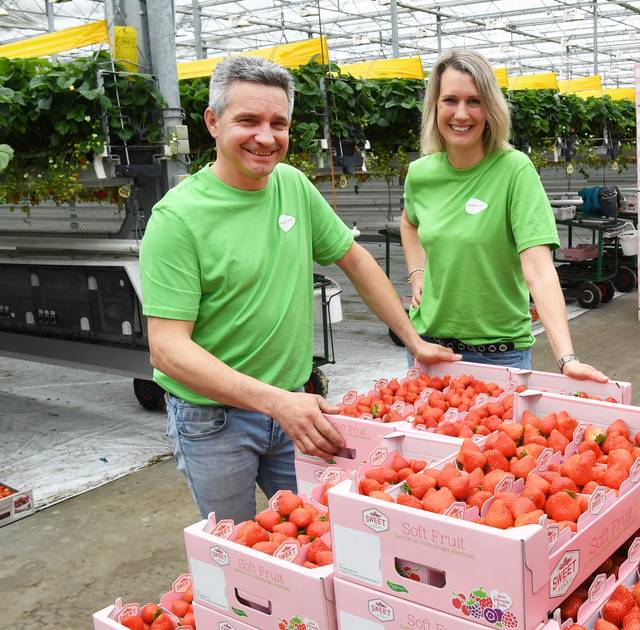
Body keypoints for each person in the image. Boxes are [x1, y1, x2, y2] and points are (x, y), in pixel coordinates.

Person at [140, 56, 457, 521]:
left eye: (278, 123)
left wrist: (413, 340)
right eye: (248, 120)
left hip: (296, 405)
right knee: (239, 543)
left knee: (320, 530)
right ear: (212, 122)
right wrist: (276, 402)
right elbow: (167, 348)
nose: (265, 137)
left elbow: (356, 260)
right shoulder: (177, 219)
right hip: (214, 420)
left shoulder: (292, 185)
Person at [400, 49, 607, 381]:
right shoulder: (421, 174)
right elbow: (409, 222)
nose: (462, 114)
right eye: (450, 100)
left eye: (475, 101)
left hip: (498, 356)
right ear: (434, 107)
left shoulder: (514, 171)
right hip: (429, 349)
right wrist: (416, 273)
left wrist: (566, 358)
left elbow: (538, 270)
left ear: (491, 108)